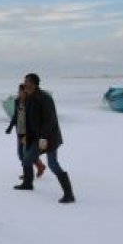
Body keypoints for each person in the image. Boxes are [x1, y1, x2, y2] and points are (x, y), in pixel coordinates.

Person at [14, 73, 75, 204]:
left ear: (34, 84)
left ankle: (69, 194)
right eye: (24, 83)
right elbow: (27, 119)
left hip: (49, 137)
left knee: (53, 164)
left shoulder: (44, 98)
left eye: (28, 82)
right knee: (26, 158)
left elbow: (50, 120)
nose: (25, 85)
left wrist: (43, 138)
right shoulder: (29, 98)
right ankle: (27, 183)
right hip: (35, 137)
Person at [4, 83, 46, 181]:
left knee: (25, 154)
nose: (19, 93)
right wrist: (10, 127)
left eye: (20, 91)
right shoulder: (17, 101)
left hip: (29, 132)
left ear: (25, 91)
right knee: (21, 153)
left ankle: (29, 172)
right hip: (20, 130)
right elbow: (15, 115)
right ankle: (39, 166)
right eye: (18, 91)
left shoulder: (30, 102)